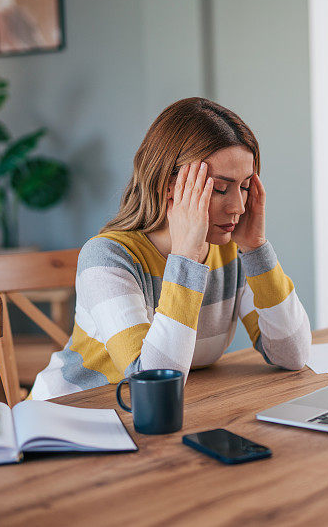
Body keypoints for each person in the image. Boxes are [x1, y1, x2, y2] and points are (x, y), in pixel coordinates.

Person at [30, 97, 311, 400]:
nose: (238, 207)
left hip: (151, 422)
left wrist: (256, 250)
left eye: (244, 187)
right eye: (219, 189)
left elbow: (292, 355)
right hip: (68, 419)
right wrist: (186, 258)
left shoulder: (230, 252)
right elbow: (150, 381)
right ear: (167, 183)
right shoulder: (106, 259)